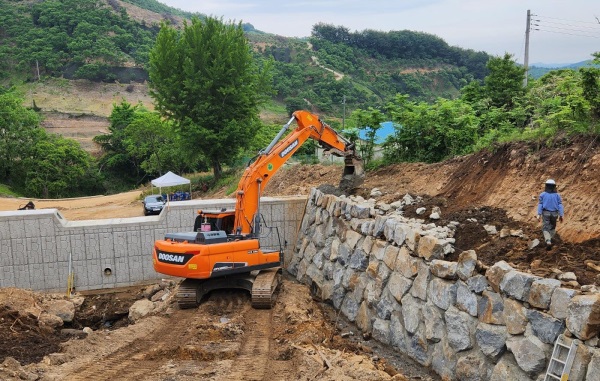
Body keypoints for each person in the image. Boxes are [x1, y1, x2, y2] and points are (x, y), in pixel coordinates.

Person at [536, 179, 564, 250]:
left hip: (546, 213)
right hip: (555, 213)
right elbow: (560, 205)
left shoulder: (542, 194)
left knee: (545, 228)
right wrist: (561, 215)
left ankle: (548, 241)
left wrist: (538, 214)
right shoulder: (557, 195)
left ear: (546, 186)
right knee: (552, 228)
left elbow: (540, 204)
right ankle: (550, 238)